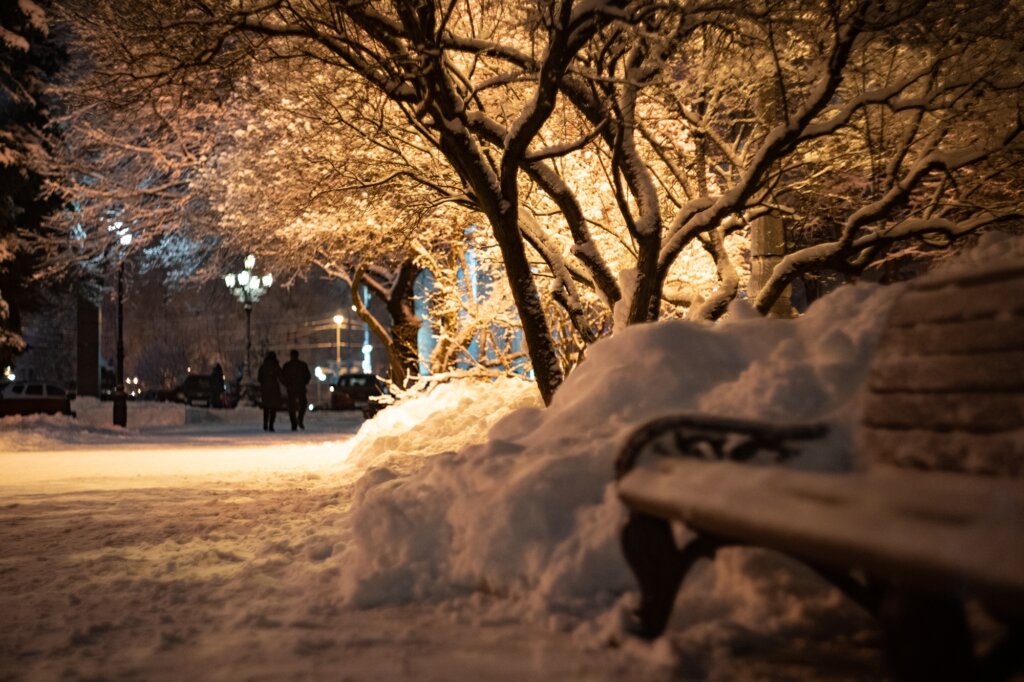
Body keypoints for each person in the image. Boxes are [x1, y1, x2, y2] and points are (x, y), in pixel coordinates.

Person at [281, 349, 311, 431]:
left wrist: (287, 384)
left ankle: (294, 423)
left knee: (291, 407)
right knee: (303, 404)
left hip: (291, 389)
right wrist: (303, 383)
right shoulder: (302, 365)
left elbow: (282, 377)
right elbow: (308, 376)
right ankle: (300, 419)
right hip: (300, 388)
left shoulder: (287, 366)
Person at [257, 351, 282, 432]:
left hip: (265, 389)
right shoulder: (276, 366)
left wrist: (263, 384)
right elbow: (281, 376)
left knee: (266, 408)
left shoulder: (263, 367)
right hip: (274, 389)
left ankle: (265, 423)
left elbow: (259, 378)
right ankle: (271, 424)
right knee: (273, 408)